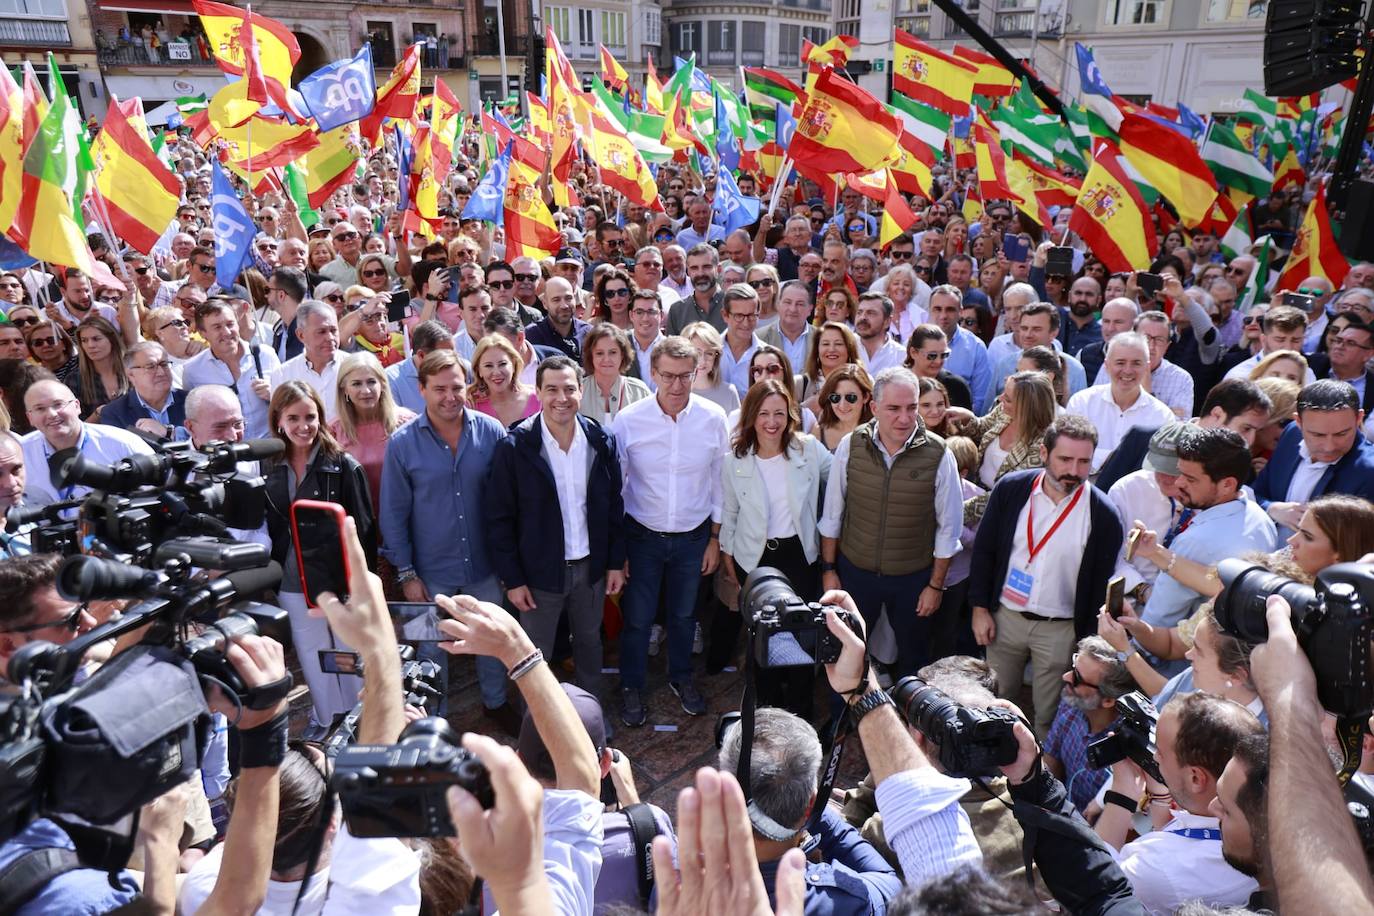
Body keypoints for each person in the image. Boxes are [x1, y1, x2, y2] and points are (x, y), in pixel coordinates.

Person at [379, 349, 516, 730]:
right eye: (439, 388)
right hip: (429, 569)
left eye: (456, 387)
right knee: (430, 648)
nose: (449, 396)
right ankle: (431, 718)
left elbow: (507, 501)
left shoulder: (491, 432)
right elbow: (393, 513)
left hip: (485, 565)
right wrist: (407, 574)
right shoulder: (403, 444)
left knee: (490, 639)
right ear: (421, 389)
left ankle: (495, 702)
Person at [969, 416, 1124, 738]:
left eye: (1084, 462)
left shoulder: (1104, 515)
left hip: (1060, 629)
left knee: (1048, 711)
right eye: (1065, 459)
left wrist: (1084, 641)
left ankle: (1037, 773)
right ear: (1044, 453)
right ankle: (995, 762)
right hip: (1005, 618)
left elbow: (1099, 584)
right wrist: (980, 608)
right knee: (997, 700)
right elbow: (985, 551)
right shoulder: (1012, 489)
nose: (1074, 470)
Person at [485, 355, 626, 705]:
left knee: (591, 644)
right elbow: (499, 517)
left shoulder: (599, 440)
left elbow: (613, 506)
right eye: (551, 390)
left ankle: (590, 718)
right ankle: (533, 725)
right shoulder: (515, 445)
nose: (561, 398)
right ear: (538, 392)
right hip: (538, 575)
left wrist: (613, 563)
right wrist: (513, 580)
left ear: (581, 391)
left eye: (569, 389)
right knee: (534, 654)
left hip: (590, 568)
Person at [610, 336, 729, 727]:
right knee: (639, 619)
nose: (676, 386)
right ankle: (631, 684)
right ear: (653, 373)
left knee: (683, 616)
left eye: (684, 376)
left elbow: (719, 481)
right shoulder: (628, 421)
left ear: (697, 372)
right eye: (668, 376)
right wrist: (620, 548)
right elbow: (617, 487)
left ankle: (681, 678)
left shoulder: (713, 418)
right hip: (642, 535)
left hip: (694, 536)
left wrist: (714, 537)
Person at [818, 367, 964, 676]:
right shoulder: (851, 445)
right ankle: (843, 718)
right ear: (874, 408)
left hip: (913, 578)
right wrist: (830, 570)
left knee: (914, 658)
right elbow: (833, 514)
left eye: (911, 407)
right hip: (855, 574)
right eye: (894, 409)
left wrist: (935, 586)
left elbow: (949, 529)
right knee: (848, 652)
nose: (904, 417)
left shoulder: (939, 454)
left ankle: (910, 719)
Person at [263, 380, 374, 736]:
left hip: (337, 576)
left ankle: (359, 717)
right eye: (293, 417)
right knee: (312, 650)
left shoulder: (341, 464)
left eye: (310, 416)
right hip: (291, 578)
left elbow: (365, 528)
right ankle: (328, 717)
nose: (303, 426)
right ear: (278, 419)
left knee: (348, 647)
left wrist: (360, 583)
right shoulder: (267, 463)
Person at [718, 379, 832, 715]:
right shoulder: (735, 460)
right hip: (754, 558)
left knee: (799, 636)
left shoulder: (808, 449)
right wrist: (728, 560)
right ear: (751, 415)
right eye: (764, 413)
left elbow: (840, 475)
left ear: (790, 415)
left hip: (799, 556)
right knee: (762, 638)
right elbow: (730, 513)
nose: (772, 421)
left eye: (779, 413)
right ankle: (767, 709)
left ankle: (799, 709)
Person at [717, 707, 902, 911]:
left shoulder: (691, 883)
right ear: (810, 806)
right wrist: (814, 809)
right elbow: (890, 885)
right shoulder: (840, 901)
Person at [1097, 692, 1264, 914]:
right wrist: (1161, 798)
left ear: (1196, 778)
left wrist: (1122, 791)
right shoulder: (1263, 832)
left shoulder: (1158, 867)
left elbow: (1091, 882)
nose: (1154, 758)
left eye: (1161, 753)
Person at [1135, 426, 1278, 650]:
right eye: (1179, 472)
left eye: (1190, 479)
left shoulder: (1196, 541)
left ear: (1227, 484)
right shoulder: (1260, 518)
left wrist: (1131, 654)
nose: (1179, 482)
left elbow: (1159, 619)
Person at [1252, 379, 1374, 538]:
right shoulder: (1290, 435)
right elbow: (1256, 493)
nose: (1329, 446)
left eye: (1341, 434)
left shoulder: (1368, 472)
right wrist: (1273, 508)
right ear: (1298, 422)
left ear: (1359, 418)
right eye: (1317, 435)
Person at [19, 378, 154, 504]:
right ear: (30, 417)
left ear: (77, 406)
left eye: (58, 404)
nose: (52, 414)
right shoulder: (19, 453)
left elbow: (157, 492)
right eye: (40, 409)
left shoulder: (121, 443)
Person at [955, 370, 1058, 526]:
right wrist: (965, 418)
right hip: (974, 491)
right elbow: (981, 428)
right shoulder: (1004, 412)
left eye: (1008, 399)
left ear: (1027, 407)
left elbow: (1009, 492)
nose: (1000, 398)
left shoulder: (1042, 445)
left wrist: (958, 511)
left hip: (1004, 517)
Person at [1065, 333, 1176, 472]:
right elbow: (1070, 451)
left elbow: (1159, 467)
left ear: (1146, 367)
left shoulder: (1162, 416)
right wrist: (1115, 458)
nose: (1128, 370)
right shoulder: (1082, 402)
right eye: (1120, 363)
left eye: (1136, 363)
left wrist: (1100, 457)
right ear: (1106, 365)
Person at [328, 351, 416, 509]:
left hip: (405, 516)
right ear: (344, 389)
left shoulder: (407, 423)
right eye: (356, 384)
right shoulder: (333, 431)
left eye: (371, 382)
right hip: (358, 520)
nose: (366, 391)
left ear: (382, 384)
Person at [182, 298, 280, 439]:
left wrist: (274, 394)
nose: (227, 332)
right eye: (217, 327)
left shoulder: (265, 355)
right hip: (229, 453)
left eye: (230, 324)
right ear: (203, 333)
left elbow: (288, 402)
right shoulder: (193, 370)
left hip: (269, 449)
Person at [268, 300, 341, 423]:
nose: (330, 338)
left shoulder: (355, 367)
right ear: (301, 335)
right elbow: (279, 421)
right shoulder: (283, 375)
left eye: (333, 330)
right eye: (321, 332)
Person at [97, 341, 187, 440]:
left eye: (164, 364)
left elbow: (204, 440)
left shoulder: (192, 401)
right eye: (151, 367)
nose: (161, 372)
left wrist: (170, 433)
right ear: (131, 375)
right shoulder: (114, 413)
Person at [928, 285, 992, 412]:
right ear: (929, 310)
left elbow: (980, 399)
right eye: (937, 309)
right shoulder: (914, 342)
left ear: (960, 312)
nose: (943, 315)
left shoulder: (976, 347)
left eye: (950, 310)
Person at [1223, 305, 1316, 383]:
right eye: (1280, 340)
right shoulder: (1240, 376)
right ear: (1263, 340)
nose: (1288, 347)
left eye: (1295, 340)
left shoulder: (1308, 375)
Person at [580, 323, 651, 424]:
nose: (606, 359)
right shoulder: (579, 392)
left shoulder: (639, 391)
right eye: (599, 353)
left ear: (622, 355)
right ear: (591, 356)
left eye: (613, 352)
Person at [384, 319, 453, 414]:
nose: (451, 360)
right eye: (444, 356)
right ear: (421, 355)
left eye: (453, 354)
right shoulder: (391, 380)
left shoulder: (462, 369)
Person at [469, 334, 539, 427]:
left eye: (502, 364)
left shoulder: (538, 398)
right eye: (488, 366)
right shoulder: (471, 403)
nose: (497, 372)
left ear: (514, 364)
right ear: (479, 370)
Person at [904, 324, 973, 410]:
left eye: (944, 355)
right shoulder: (898, 384)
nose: (938, 361)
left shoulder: (956, 387)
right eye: (932, 356)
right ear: (914, 353)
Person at [71, 316, 127, 419]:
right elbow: (76, 428)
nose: (90, 345)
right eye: (84, 340)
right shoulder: (75, 380)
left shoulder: (133, 370)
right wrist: (98, 414)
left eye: (96, 339)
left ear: (112, 339)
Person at [525, 276, 591, 362]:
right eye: (556, 300)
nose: (564, 305)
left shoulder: (589, 333)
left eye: (568, 298)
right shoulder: (533, 335)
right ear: (545, 304)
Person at [681, 321, 741, 412]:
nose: (702, 360)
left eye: (709, 353)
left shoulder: (729, 393)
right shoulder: (675, 392)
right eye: (697, 353)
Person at [666, 243, 726, 334]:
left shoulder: (734, 305)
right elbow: (671, 347)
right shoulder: (677, 310)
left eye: (706, 267)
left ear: (718, 269)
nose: (700, 273)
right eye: (694, 268)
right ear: (688, 271)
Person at [813, 364, 874, 453]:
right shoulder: (819, 431)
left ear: (865, 397)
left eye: (851, 397)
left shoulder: (877, 434)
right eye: (835, 398)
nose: (842, 405)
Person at [717, 283, 764, 397]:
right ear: (725, 315)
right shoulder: (708, 351)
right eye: (739, 316)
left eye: (752, 316)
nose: (746, 323)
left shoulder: (767, 356)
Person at [855, 292, 907, 377]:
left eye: (871, 313)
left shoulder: (901, 356)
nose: (862, 317)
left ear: (887, 321)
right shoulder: (844, 346)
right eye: (859, 312)